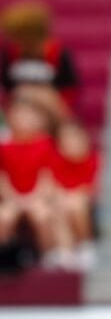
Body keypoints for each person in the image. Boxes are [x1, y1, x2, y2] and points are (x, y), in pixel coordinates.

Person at [0, 0, 80, 122]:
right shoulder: (11, 52)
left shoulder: (58, 53)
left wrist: (54, 106)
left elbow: (70, 87)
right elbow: (7, 86)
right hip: (21, 112)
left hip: (51, 112)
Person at [0, 96, 57, 262]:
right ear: (10, 118)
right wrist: (14, 198)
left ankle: (48, 257)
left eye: (28, 116)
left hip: (37, 197)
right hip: (11, 198)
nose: (23, 120)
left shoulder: (45, 143)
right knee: (3, 216)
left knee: (42, 215)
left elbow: (47, 177)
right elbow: (2, 178)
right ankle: (6, 257)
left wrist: (34, 198)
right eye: (19, 115)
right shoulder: (4, 145)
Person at [48, 119, 101, 271]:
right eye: (65, 138)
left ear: (84, 138)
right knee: (59, 207)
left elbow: (94, 188)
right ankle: (65, 250)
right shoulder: (55, 160)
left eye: (74, 137)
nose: (70, 142)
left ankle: (86, 245)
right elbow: (53, 185)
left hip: (87, 203)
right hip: (64, 201)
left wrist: (74, 196)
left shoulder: (96, 159)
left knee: (76, 204)